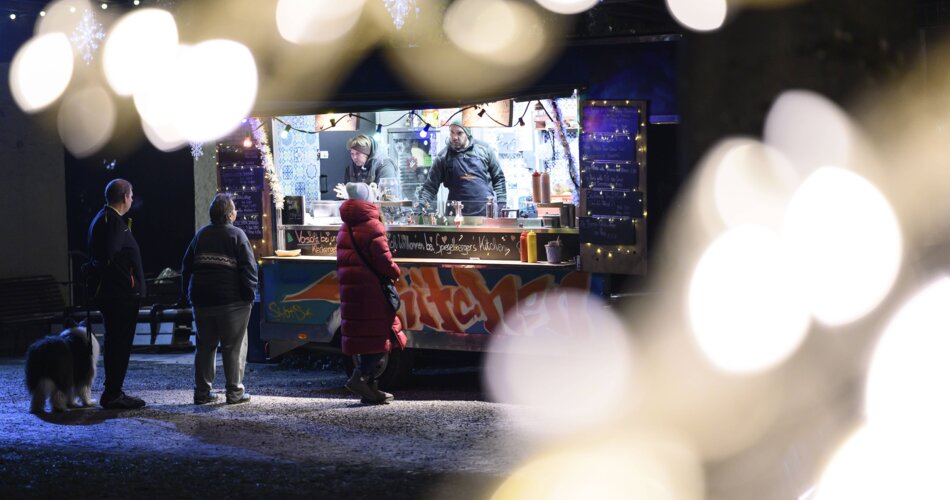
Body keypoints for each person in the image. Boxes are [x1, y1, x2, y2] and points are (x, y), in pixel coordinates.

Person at [181, 193, 258, 405]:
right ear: (230, 215)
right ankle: (234, 393)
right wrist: (249, 295)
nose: (236, 213)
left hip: (202, 300)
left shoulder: (200, 235)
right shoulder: (237, 235)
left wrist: (187, 294)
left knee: (205, 347)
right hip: (232, 302)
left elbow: (186, 266)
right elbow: (249, 269)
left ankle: (202, 393)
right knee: (234, 347)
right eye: (234, 210)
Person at [336, 182, 407, 404]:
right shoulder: (372, 225)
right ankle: (361, 378)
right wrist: (396, 272)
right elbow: (384, 260)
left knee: (365, 337)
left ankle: (370, 389)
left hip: (352, 290)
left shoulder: (345, 226)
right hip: (371, 291)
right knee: (379, 338)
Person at [87, 178, 147, 410]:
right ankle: (113, 394)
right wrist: (130, 284)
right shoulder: (112, 222)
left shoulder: (105, 219)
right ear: (124, 197)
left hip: (116, 294)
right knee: (119, 344)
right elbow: (110, 257)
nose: (132, 199)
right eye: (131, 195)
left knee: (116, 343)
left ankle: (114, 391)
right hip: (121, 296)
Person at [417, 120, 507, 216]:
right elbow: (430, 187)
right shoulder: (443, 157)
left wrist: (502, 205)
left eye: (459, 133)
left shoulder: (484, 150)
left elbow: (499, 179)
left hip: (486, 214)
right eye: (452, 132)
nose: (455, 137)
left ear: (467, 133)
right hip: (455, 217)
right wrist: (420, 208)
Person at [333, 134, 397, 199]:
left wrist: (350, 195)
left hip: (382, 208)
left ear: (368, 154)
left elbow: (386, 196)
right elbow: (347, 191)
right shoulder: (350, 168)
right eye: (352, 153)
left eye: (358, 153)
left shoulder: (384, 165)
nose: (354, 157)